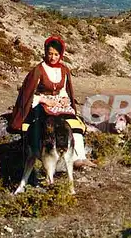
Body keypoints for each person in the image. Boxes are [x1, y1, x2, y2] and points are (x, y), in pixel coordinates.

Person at [8, 36, 90, 167]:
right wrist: (43, 100)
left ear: (60, 55)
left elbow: (63, 89)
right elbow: (28, 93)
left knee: (73, 121)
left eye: (56, 54)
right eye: (50, 54)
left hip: (57, 102)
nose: (53, 57)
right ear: (45, 53)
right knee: (48, 123)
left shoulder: (64, 70)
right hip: (40, 102)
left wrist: (64, 99)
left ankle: (79, 157)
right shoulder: (38, 70)